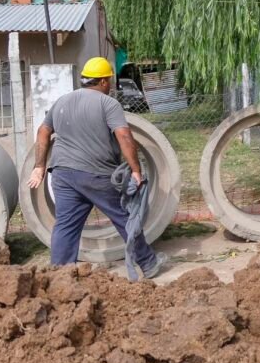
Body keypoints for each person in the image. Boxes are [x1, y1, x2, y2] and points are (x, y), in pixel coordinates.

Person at [28, 57, 166, 276]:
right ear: (102, 81)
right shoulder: (108, 103)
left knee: (65, 225)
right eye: (109, 80)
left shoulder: (62, 101)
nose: (110, 85)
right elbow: (124, 136)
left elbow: (42, 132)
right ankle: (148, 264)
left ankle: (59, 276)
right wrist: (136, 171)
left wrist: (39, 166)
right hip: (96, 175)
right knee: (125, 217)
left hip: (62, 174)